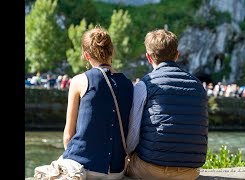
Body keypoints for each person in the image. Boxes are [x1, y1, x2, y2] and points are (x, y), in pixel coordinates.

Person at [34, 26, 133, 180]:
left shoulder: (79, 81)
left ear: (86, 56)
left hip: (84, 166)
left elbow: (68, 136)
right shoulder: (128, 84)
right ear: (112, 52)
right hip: (116, 170)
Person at [126, 29, 208, 180]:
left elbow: (131, 136)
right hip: (190, 172)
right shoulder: (198, 86)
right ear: (177, 55)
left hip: (151, 169)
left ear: (148, 57)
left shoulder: (144, 85)